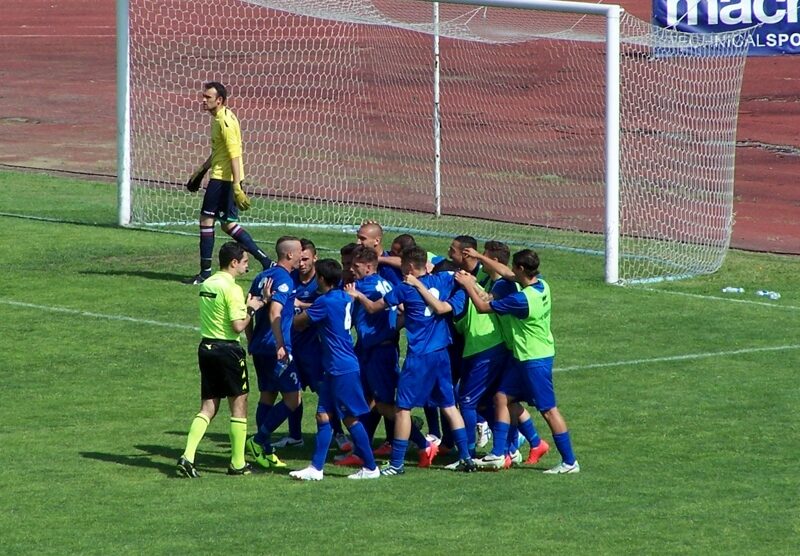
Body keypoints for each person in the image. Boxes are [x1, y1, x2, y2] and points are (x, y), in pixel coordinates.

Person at [346, 246, 477, 474]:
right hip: (442, 353)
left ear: (407, 267)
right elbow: (464, 279)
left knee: (403, 409)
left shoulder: (405, 288)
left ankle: (396, 464)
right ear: (425, 264)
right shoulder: (444, 280)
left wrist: (357, 295)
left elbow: (374, 307)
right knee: (448, 405)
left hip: (419, 356)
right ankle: (466, 456)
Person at [456, 249, 579, 474]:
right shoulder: (541, 285)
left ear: (521, 269)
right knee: (502, 397)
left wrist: (468, 285)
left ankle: (569, 462)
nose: (511, 269)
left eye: (514, 266)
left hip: (534, 359)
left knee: (548, 410)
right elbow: (506, 273)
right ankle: (498, 454)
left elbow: (483, 308)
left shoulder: (522, 300)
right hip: (524, 357)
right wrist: (480, 257)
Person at [176, 241, 266, 478]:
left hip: (206, 348)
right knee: (239, 403)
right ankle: (237, 463)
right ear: (234, 262)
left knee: (208, 407)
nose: (247, 268)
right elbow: (237, 326)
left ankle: (188, 455)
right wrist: (254, 307)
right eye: (245, 262)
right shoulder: (232, 289)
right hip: (227, 350)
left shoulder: (208, 283)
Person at [289, 259, 380, 480]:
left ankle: (370, 467)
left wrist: (289, 310)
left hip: (341, 368)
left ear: (321, 278)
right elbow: (323, 307)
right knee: (323, 416)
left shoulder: (325, 302)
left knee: (350, 418)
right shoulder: (341, 296)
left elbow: (298, 324)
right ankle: (316, 468)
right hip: (335, 366)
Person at [182, 81, 272, 285]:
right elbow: (219, 152)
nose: (203, 100)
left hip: (223, 179)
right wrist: (201, 170)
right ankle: (266, 261)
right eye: (203, 96)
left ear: (219, 100)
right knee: (228, 224)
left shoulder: (225, 123)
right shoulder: (218, 118)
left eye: (208, 97)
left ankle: (205, 273)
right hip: (221, 177)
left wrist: (238, 186)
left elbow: (234, 155)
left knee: (206, 221)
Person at [244, 236, 302, 470]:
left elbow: (248, 306)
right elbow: (275, 311)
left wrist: (251, 341)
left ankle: (265, 451)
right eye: (299, 252)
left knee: (267, 396)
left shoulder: (261, 277)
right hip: (276, 348)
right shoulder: (284, 279)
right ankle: (258, 441)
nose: (301, 256)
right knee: (293, 399)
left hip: (260, 346)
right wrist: (280, 345)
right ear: (289, 255)